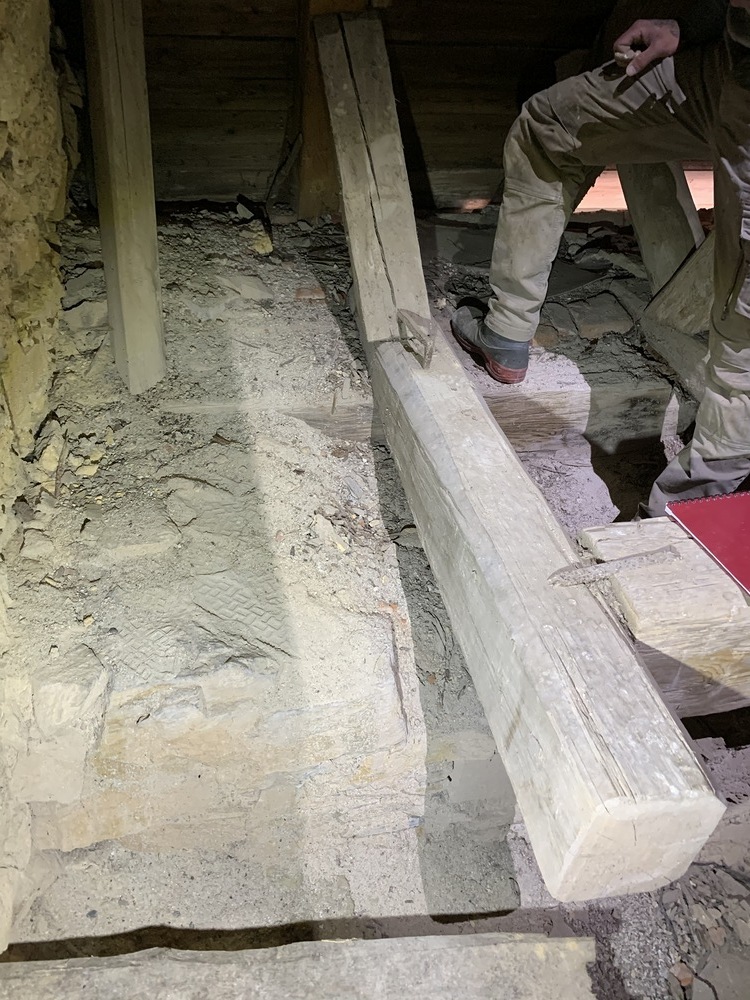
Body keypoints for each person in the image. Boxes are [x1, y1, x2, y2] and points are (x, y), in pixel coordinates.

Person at [451, 1, 750, 516]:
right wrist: (689, 26)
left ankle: (689, 510)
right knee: (545, 126)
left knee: (743, 329)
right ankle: (506, 332)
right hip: (731, 60)